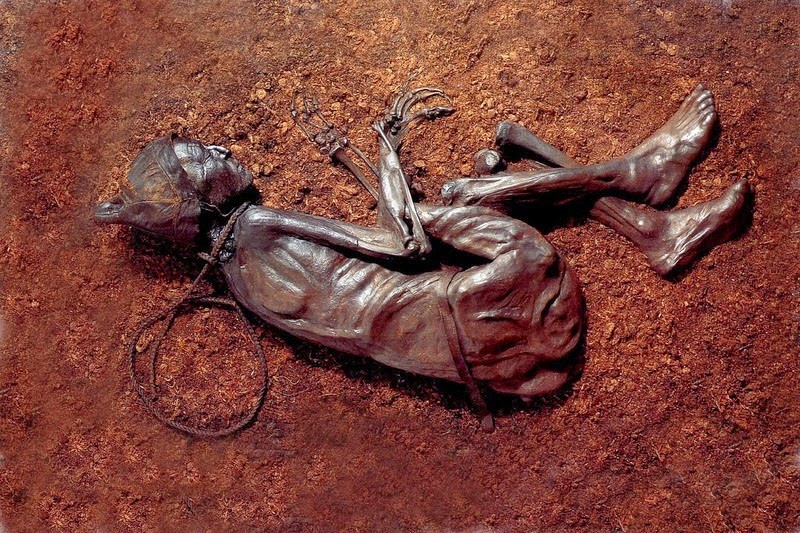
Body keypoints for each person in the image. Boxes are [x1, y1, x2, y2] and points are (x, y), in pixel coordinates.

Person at [94, 85, 750, 429]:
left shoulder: (237, 273)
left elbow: (379, 276)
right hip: (527, 304)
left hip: (509, 366)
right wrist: (385, 148)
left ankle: (651, 222)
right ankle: (640, 181)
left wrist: (369, 169)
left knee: (471, 190)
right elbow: (402, 243)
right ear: (198, 194)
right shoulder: (258, 227)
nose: (217, 151)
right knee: (464, 191)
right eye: (201, 158)